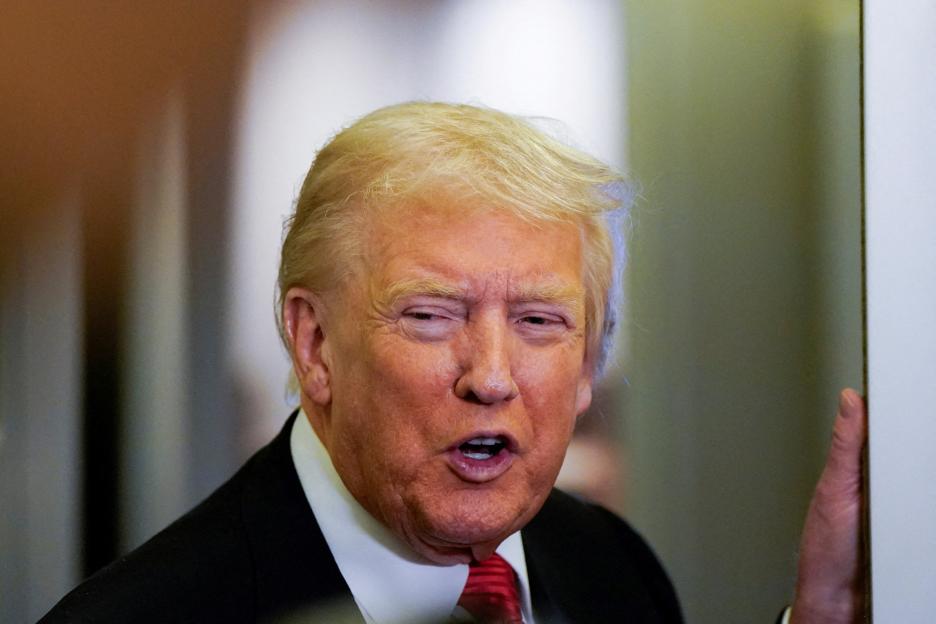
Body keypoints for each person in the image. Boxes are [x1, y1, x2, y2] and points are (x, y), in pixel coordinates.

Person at [41, 102, 866, 623]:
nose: (493, 376)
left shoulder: (612, 569)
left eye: (540, 321)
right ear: (315, 344)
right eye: (432, 316)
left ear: (589, 364)